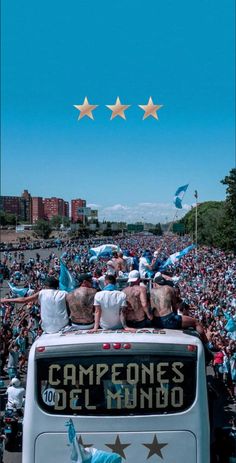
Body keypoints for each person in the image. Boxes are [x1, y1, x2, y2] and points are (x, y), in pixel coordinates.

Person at [150, 273, 209, 344]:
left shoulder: (151, 291)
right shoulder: (169, 289)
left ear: (155, 284)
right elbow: (174, 307)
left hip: (156, 321)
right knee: (196, 323)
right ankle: (207, 345)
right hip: (168, 319)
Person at [0, 276, 70, 334]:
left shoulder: (42, 293)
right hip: (64, 328)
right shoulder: (64, 293)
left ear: (47, 285)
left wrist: (6, 300)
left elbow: (24, 300)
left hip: (48, 330)